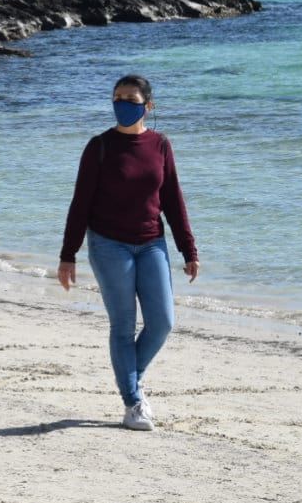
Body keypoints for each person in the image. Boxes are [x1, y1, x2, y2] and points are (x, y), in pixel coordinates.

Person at [58, 75, 198, 432]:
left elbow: (173, 200)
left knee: (162, 322)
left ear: (147, 106)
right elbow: (80, 204)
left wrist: (188, 248)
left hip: (152, 243)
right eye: (117, 97)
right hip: (108, 244)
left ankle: (131, 378)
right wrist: (68, 254)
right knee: (123, 325)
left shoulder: (161, 145)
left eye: (130, 98)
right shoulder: (99, 146)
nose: (123, 103)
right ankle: (133, 402)